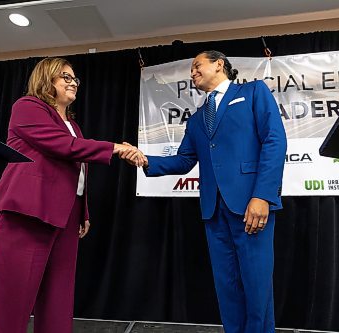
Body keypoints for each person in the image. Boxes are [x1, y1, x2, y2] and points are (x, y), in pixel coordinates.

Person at [122, 50, 287, 333]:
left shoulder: (253, 92)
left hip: (251, 205)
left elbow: (274, 141)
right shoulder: (197, 119)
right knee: (227, 287)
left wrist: (263, 196)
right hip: (214, 211)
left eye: (197, 65)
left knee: (257, 287)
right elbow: (185, 160)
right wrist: (146, 159)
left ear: (219, 64)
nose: (192, 72)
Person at [0, 57, 138, 333]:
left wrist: (82, 212)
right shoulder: (27, 107)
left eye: (75, 78)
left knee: (58, 301)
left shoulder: (74, 126)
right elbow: (64, 147)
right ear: (46, 79)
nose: (73, 82)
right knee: (10, 300)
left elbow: (76, 170)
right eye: (65, 76)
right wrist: (115, 148)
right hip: (27, 214)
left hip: (65, 219)